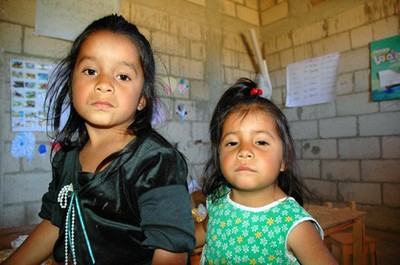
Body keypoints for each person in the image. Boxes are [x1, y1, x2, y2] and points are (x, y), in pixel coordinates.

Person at [2, 14, 195, 265]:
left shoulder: (156, 162)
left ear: (142, 98)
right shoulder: (66, 159)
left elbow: (171, 251)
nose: (103, 84)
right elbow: (54, 222)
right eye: (91, 71)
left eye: (123, 76)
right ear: (72, 86)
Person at [195, 78, 338, 264]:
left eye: (261, 142)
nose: (244, 151)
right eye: (232, 142)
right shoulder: (218, 200)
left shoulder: (295, 226)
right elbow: (203, 232)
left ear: (284, 159)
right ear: (219, 156)